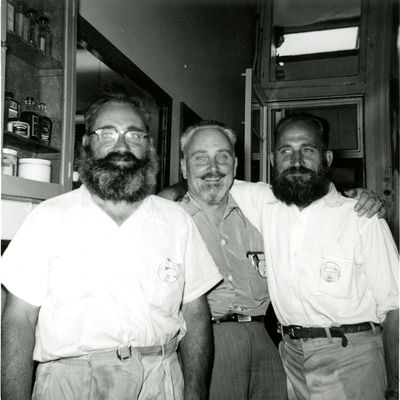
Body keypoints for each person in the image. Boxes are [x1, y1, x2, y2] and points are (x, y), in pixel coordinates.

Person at [1, 93, 222, 400]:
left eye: (134, 135)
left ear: (149, 147)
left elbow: (196, 314)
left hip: (160, 380)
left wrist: (196, 393)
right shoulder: (48, 218)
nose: (122, 146)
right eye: (107, 133)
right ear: (86, 145)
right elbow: (18, 319)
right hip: (69, 384)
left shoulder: (176, 221)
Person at [159, 119, 385, 400]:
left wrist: (354, 194)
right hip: (210, 345)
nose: (214, 167)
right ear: (183, 166)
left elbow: (309, 192)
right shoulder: (169, 219)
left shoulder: (261, 207)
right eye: (200, 158)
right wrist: (168, 193)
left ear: (236, 165)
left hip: (273, 347)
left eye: (223, 156)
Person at [229, 113, 399, 400]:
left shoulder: (361, 217)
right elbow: (210, 182)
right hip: (291, 359)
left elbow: (396, 306)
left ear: (327, 158)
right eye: (286, 150)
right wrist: (172, 192)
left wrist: (395, 385)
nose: (296, 160)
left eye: (307, 149)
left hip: (352, 358)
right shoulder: (266, 202)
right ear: (272, 160)